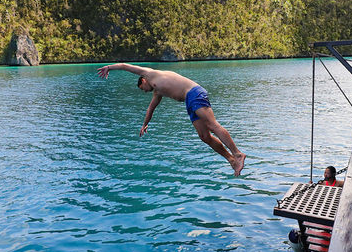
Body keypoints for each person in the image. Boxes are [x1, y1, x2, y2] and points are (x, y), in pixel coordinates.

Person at [97, 63, 246, 176]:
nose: (144, 91)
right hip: (189, 100)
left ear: (143, 80)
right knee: (204, 136)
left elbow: (125, 66)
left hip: (194, 92)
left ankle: (237, 154)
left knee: (212, 125)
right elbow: (151, 109)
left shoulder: (150, 74)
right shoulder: (157, 92)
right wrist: (145, 125)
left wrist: (109, 67)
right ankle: (232, 161)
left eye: (142, 88)